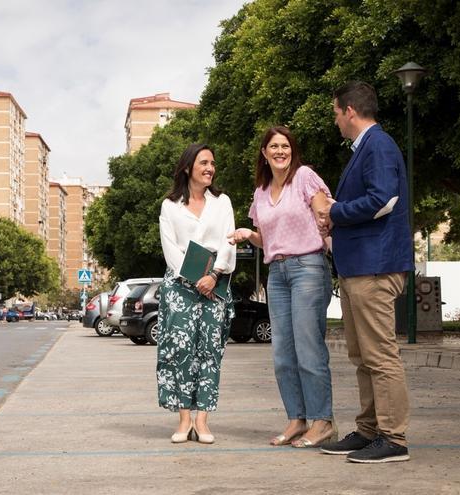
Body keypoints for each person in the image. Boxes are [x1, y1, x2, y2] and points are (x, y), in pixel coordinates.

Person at [315, 81, 413, 463]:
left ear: (349, 110)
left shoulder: (380, 145)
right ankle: (370, 431)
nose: (336, 120)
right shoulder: (366, 148)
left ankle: (393, 438)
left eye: (336, 112)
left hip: (376, 266)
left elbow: (383, 199)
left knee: (380, 355)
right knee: (362, 355)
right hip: (360, 267)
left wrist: (334, 212)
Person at [227, 126, 336, 449]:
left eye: (284, 146)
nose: (279, 151)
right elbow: (268, 238)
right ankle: (297, 419)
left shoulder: (304, 177)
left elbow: (324, 211)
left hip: (308, 268)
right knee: (282, 354)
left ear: (292, 150)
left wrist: (324, 216)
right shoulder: (261, 192)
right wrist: (249, 235)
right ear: (264, 153)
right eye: (273, 146)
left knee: (308, 348)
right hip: (278, 273)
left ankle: (322, 421)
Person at [157, 143, 236, 445]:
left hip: (215, 284)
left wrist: (213, 276)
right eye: (204, 162)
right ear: (188, 167)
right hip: (180, 287)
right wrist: (195, 278)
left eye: (213, 163)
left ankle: (202, 421)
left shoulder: (222, 202)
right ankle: (183, 420)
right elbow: (171, 249)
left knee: (210, 352)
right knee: (179, 352)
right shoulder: (169, 205)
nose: (210, 168)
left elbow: (229, 242)